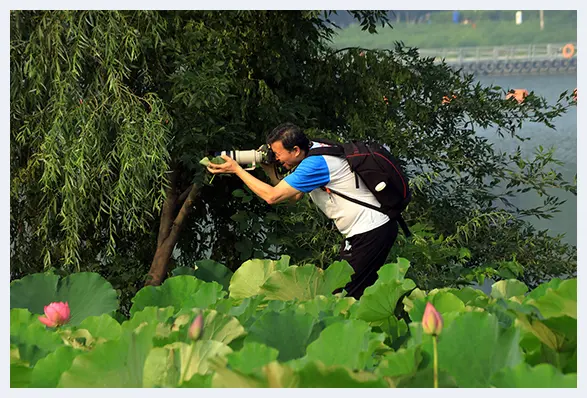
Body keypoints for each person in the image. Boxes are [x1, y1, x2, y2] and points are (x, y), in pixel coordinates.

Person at [206, 123, 398, 299]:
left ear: (296, 150)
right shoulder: (315, 149)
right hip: (369, 230)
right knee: (353, 292)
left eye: (278, 154)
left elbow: (272, 196)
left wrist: (238, 170)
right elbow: (294, 196)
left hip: (370, 231)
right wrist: (268, 170)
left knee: (341, 296)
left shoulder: (315, 164)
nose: (277, 159)